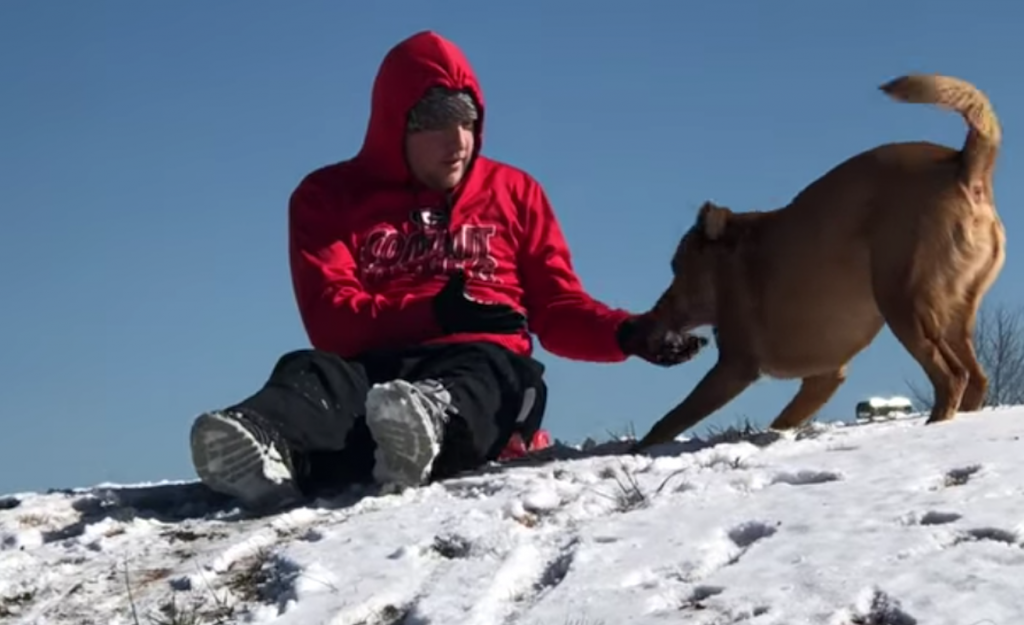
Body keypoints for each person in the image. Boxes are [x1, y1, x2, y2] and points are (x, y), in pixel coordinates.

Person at [188, 30, 707, 512]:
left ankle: (425, 427)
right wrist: (434, 311)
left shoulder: (514, 192)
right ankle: (260, 439)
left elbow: (556, 306)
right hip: (373, 367)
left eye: (468, 119)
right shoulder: (327, 197)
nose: (458, 140)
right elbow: (330, 319)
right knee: (311, 371)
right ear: (397, 122)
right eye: (436, 120)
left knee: (495, 373)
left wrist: (626, 333)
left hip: (481, 365)